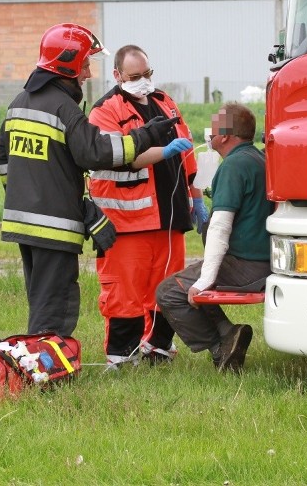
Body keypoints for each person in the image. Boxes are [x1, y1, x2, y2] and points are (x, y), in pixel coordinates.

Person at [0, 23, 182, 338]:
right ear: (66, 65)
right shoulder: (62, 107)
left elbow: (2, 154)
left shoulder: (20, 103)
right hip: (52, 225)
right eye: (84, 64)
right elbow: (97, 152)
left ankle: (41, 356)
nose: (89, 74)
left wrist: (22, 195)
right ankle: (45, 366)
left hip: (21, 223)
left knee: (40, 297)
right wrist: (149, 134)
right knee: (54, 304)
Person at [88, 45, 206, 369]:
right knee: (124, 293)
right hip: (126, 221)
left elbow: (189, 156)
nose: (144, 82)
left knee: (167, 289)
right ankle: (121, 357)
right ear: (117, 76)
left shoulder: (165, 102)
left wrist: (195, 198)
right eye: (135, 77)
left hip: (170, 217)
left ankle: (158, 349)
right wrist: (164, 151)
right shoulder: (105, 111)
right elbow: (119, 156)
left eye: (148, 74)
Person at [156, 102, 274, 372]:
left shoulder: (233, 166)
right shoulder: (256, 158)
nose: (209, 130)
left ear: (225, 136)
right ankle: (228, 332)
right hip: (264, 261)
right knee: (190, 280)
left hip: (247, 266)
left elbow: (220, 227)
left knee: (169, 292)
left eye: (215, 123)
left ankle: (221, 349)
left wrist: (205, 281)